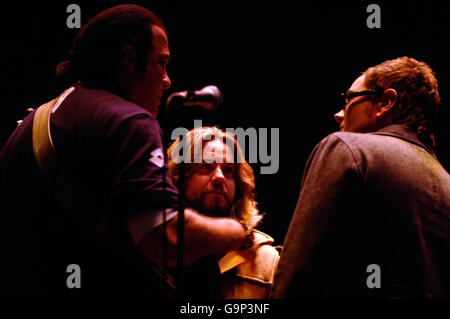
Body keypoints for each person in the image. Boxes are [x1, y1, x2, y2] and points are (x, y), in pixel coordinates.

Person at [0, 4, 249, 298]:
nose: (168, 81)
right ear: (130, 59)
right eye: (162, 62)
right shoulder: (131, 121)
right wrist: (236, 232)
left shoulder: (30, 124)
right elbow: (165, 237)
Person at [271, 56, 450, 298]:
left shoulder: (347, 149)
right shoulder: (446, 182)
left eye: (349, 100)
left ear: (385, 102)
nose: (338, 114)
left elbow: (299, 273)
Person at [167, 126, 280, 298]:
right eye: (206, 166)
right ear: (179, 176)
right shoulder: (154, 246)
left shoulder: (266, 261)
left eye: (228, 170)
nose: (219, 176)